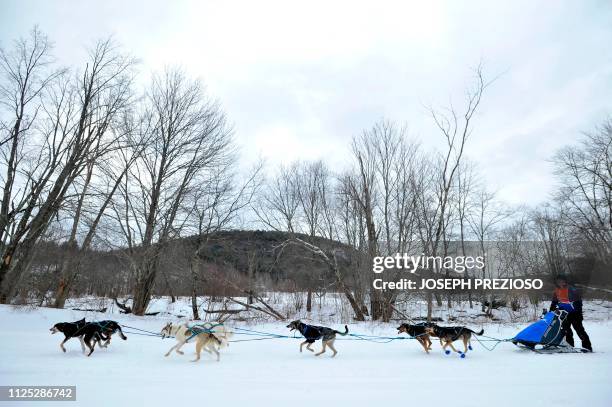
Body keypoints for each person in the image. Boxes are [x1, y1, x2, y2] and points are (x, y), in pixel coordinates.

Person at [550, 275, 592, 352]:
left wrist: (576, 309)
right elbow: (554, 302)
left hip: (575, 314)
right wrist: (551, 311)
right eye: (558, 281)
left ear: (565, 281)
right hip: (565, 314)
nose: (560, 283)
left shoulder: (572, 289)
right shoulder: (556, 291)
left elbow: (578, 302)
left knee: (579, 330)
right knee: (566, 331)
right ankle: (570, 346)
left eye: (562, 281)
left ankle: (587, 347)